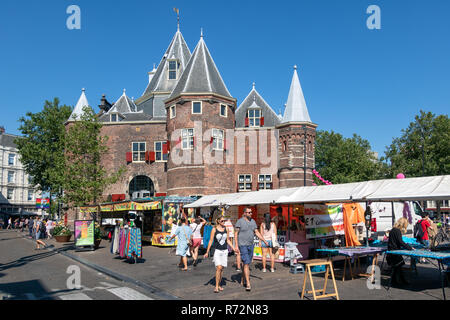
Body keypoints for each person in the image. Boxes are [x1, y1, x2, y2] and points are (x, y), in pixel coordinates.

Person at [234, 207, 268, 291]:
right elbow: (235, 234)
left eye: (251, 212)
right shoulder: (240, 221)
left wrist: (263, 240)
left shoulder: (253, 221)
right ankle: (248, 283)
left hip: (251, 245)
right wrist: (236, 246)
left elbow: (256, 232)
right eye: (249, 212)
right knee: (246, 263)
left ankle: (243, 278)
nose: (251, 214)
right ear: (245, 213)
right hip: (242, 245)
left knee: (247, 263)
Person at [204, 217, 235, 293]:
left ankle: (219, 284)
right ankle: (216, 286)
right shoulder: (214, 229)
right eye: (222, 221)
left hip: (225, 251)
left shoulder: (226, 229)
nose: (223, 222)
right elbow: (211, 240)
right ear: (218, 221)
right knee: (218, 267)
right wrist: (207, 252)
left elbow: (227, 240)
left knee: (221, 269)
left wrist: (234, 248)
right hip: (217, 251)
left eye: (224, 220)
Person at [386, 217, 415, 286]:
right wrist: (410, 248)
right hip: (394, 251)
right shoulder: (397, 231)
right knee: (398, 265)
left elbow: (397, 242)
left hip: (392, 250)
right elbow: (400, 242)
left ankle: (399, 280)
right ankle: (397, 281)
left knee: (398, 266)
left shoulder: (393, 230)